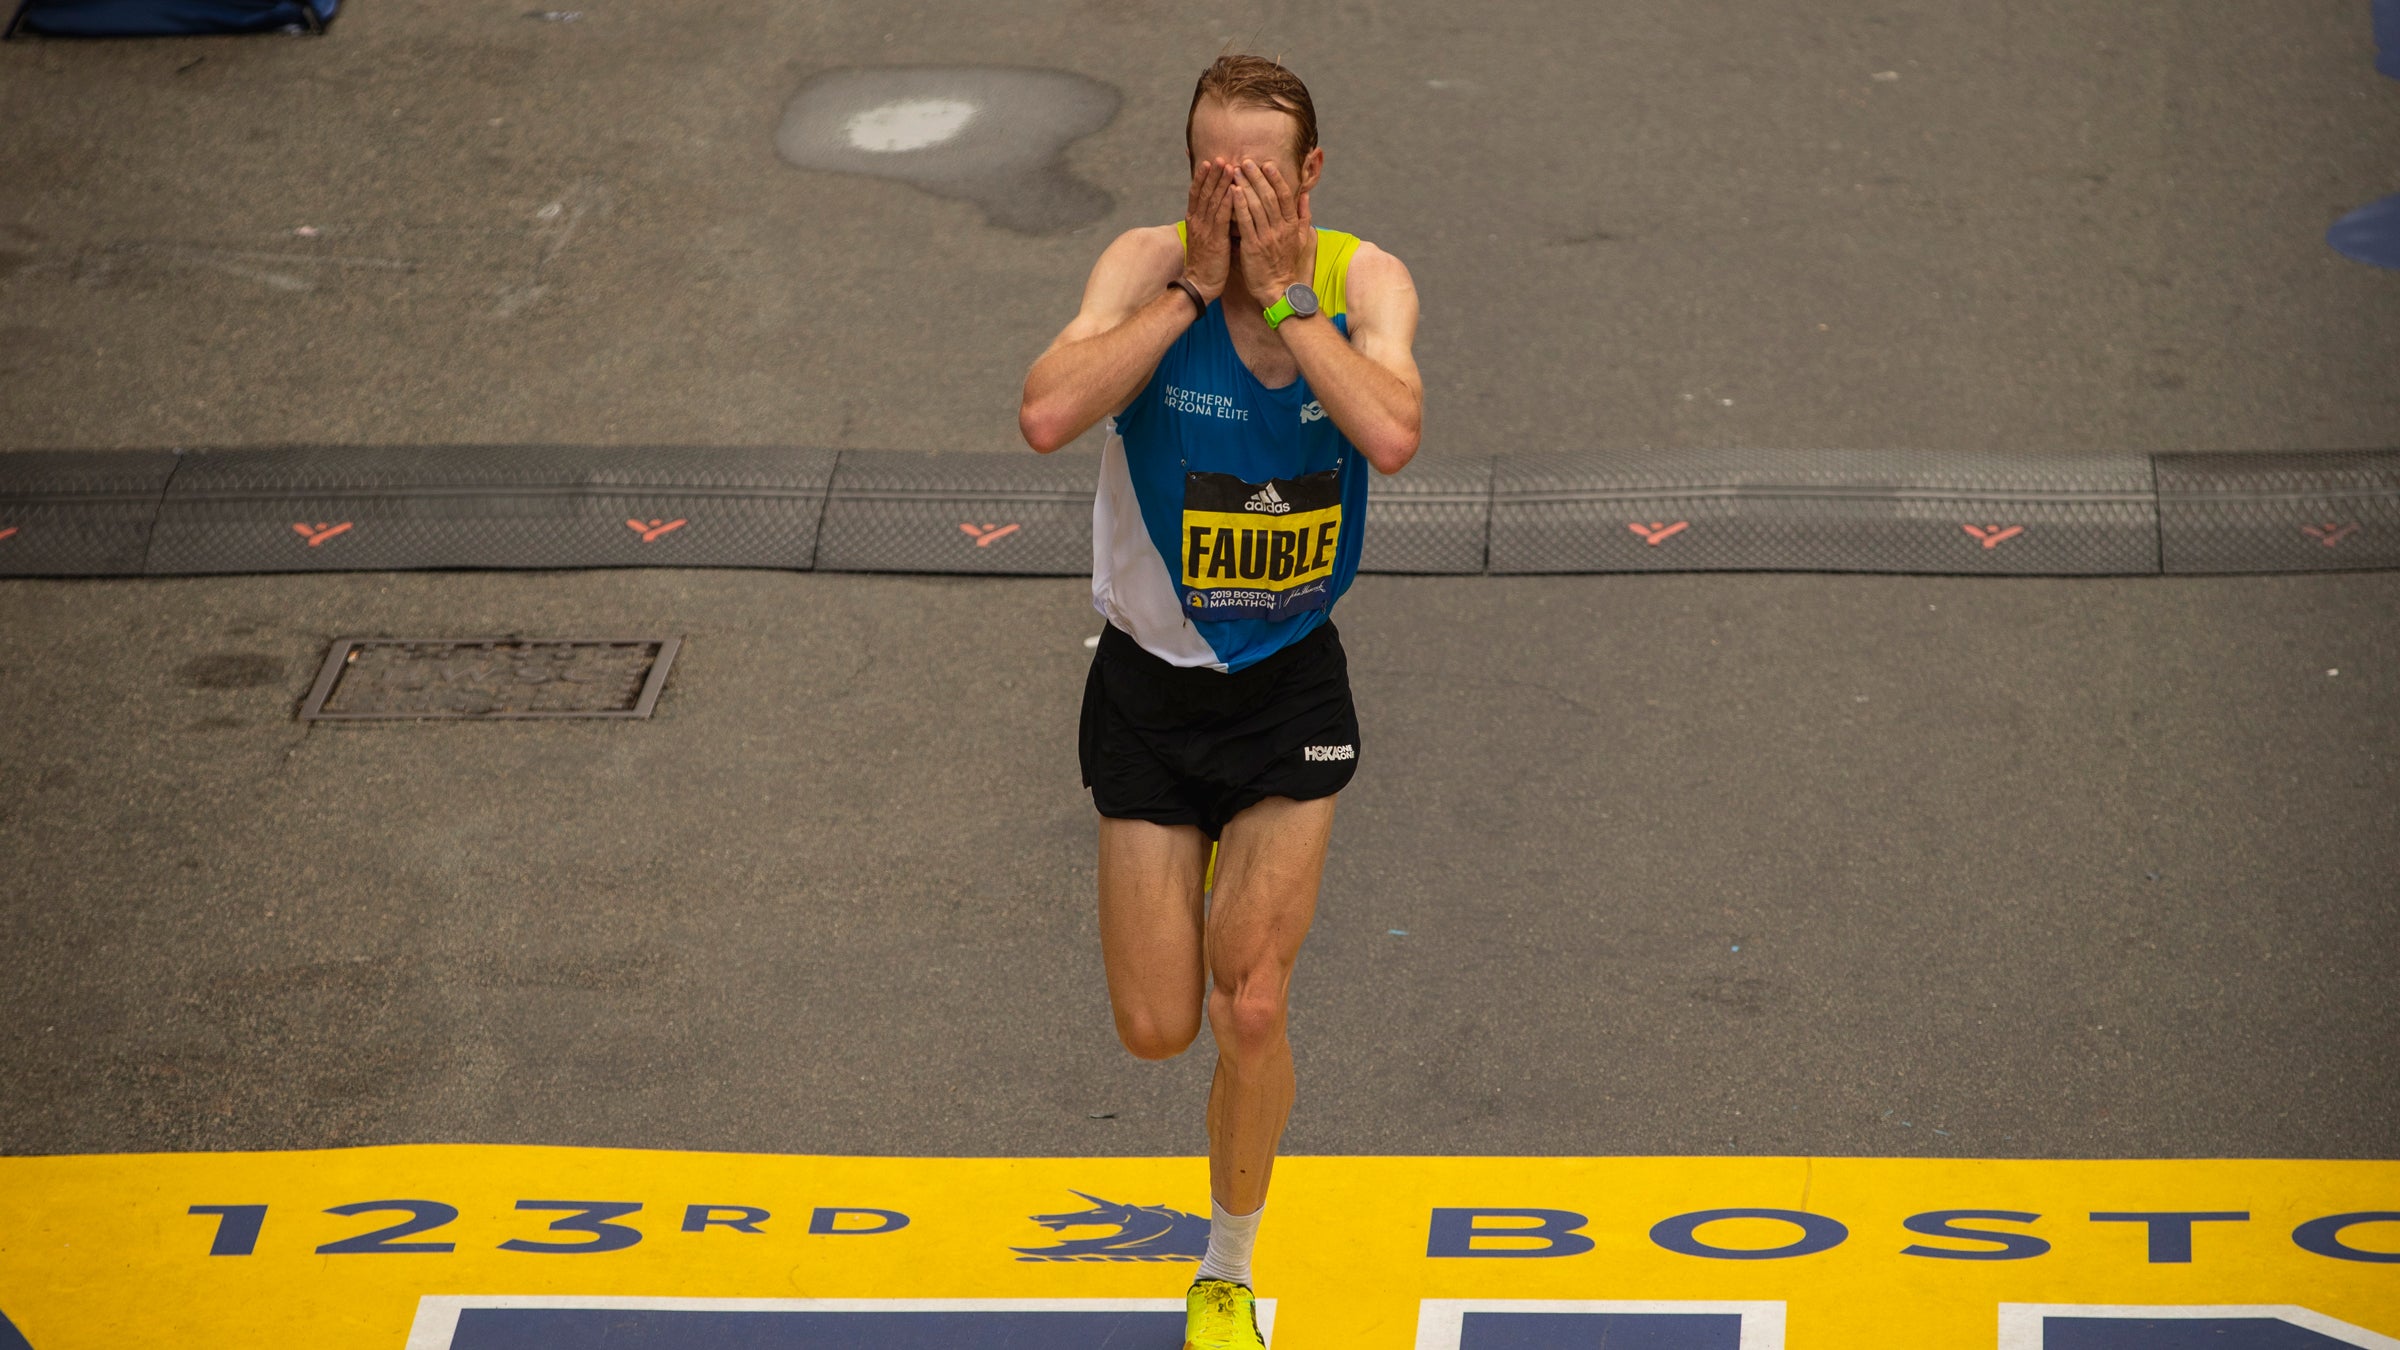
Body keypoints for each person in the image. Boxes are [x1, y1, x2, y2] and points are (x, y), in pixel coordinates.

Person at [1018, 52, 1424, 1350]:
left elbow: (1394, 430)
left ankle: (1227, 1272)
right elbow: (1045, 412)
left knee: (1253, 1001)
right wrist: (1192, 286)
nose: (1235, 196)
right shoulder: (1147, 267)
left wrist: (1293, 299)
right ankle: (1200, 880)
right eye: (1213, 170)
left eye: (1260, 173)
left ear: (1309, 176)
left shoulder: (1362, 280)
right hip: (1146, 685)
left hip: (1286, 683)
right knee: (1156, 1028)